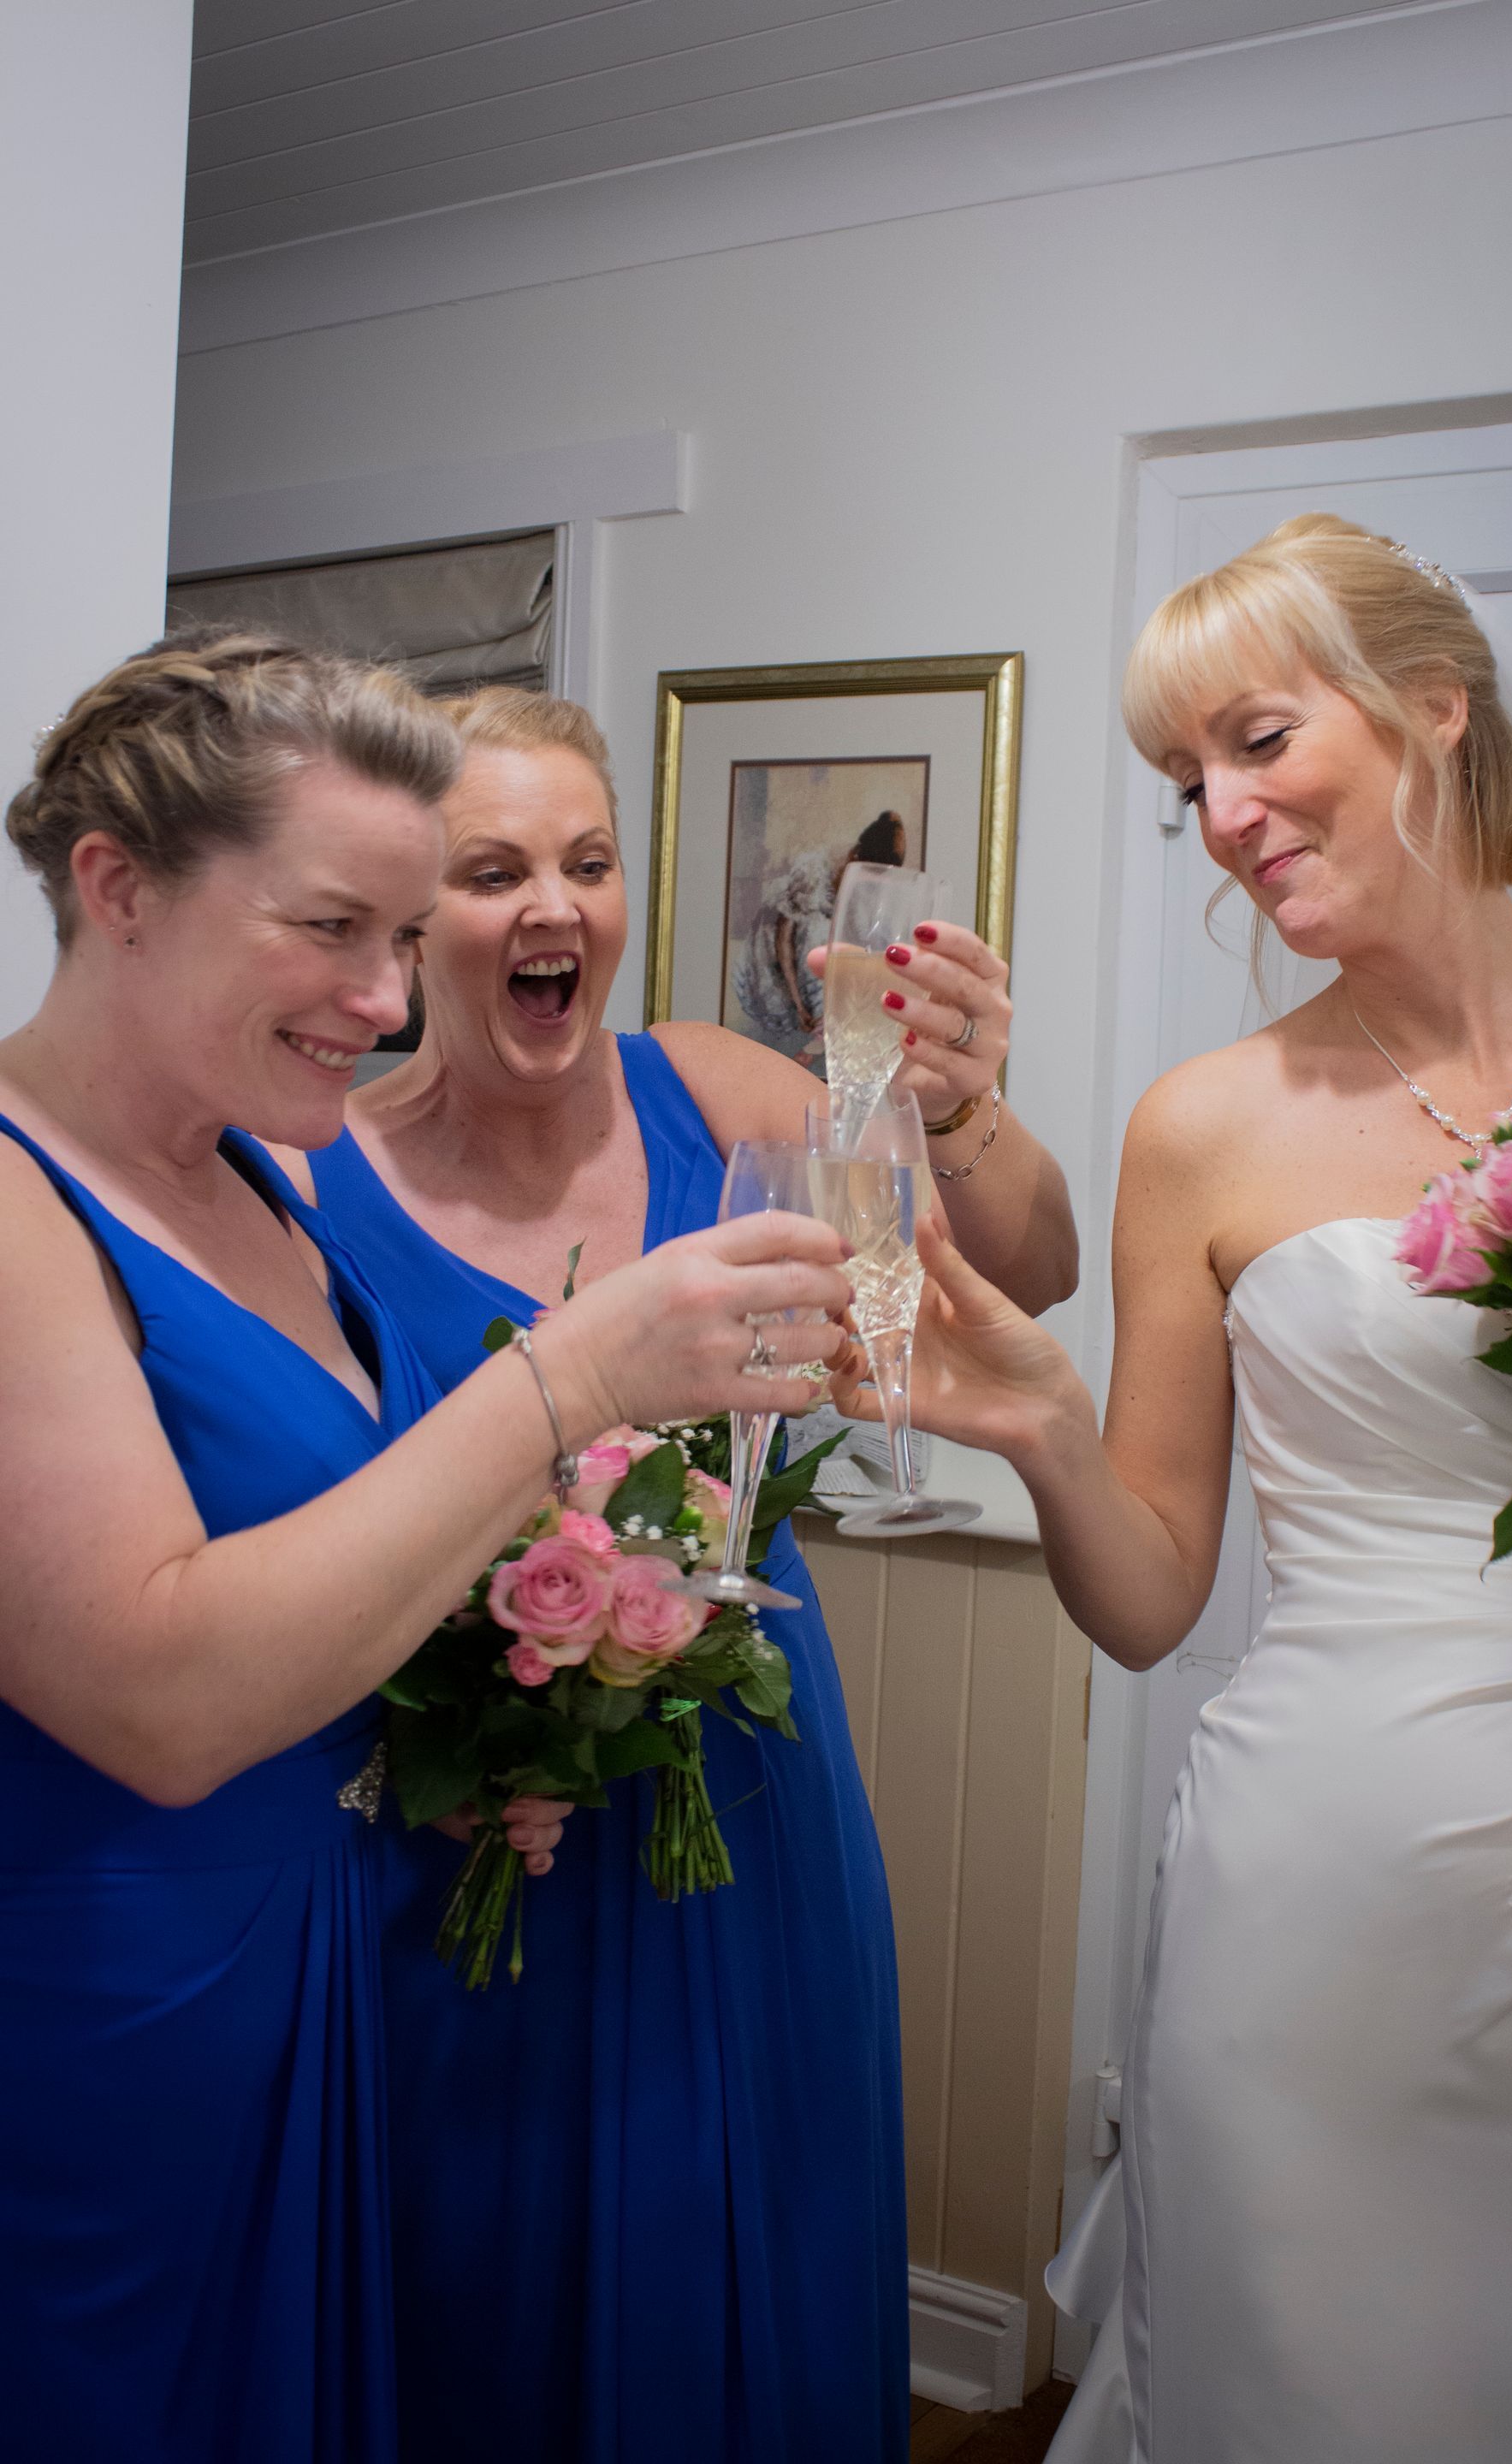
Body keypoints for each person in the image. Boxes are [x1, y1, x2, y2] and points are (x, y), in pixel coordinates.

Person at [833, 517, 1512, 2463]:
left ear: (1430, 708)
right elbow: (1147, 1605)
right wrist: (1044, 1421)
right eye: (1185, 778)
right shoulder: (1201, 1127)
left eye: (1258, 742)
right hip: (1324, 1894)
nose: (1221, 816)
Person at [0, 633, 851, 2464]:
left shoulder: (251, 1181)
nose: (387, 1000)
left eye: (401, 937)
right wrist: (577, 1373)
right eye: (333, 929)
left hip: (338, 1985)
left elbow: (327, 1578)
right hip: (123, 2032)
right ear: (118, 888)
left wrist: (434, 1757)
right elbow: (156, 1696)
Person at [276, 685, 1077, 2464]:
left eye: (588, 861)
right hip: (478, 1828)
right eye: (493, 870)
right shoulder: (314, 1180)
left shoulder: (716, 1090)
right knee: (490, 2292)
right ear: (407, 912)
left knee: (755, 2255)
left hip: (746, 1791)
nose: (553, 905)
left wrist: (959, 1112)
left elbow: (1020, 1274)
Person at [733, 805, 908, 1058]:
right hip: (777, 946)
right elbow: (784, 939)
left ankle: (826, 1038)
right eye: (870, 875)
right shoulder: (815, 872)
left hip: (822, 940)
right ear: (855, 856)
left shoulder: (864, 886)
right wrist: (798, 1004)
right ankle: (817, 1040)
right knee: (822, 940)